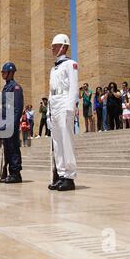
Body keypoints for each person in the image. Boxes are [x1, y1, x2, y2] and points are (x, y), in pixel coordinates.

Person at [47, 34, 78, 191]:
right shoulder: (53, 69)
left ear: (64, 47)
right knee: (57, 143)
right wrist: (48, 112)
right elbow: (51, 92)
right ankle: (61, 174)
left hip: (65, 103)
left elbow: (73, 86)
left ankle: (70, 176)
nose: (52, 48)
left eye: (55, 45)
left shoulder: (70, 64)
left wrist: (70, 107)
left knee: (66, 141)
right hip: (55, 105)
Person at [0, 62, 24, 184]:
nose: (2, 74)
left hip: (11, 123)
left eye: (4, 72)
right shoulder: (6, 87)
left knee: (13, 148)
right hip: (5, 123)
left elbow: (18, 108)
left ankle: (16, 173)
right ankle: (9, 172)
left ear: (10, 73)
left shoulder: (15, 87)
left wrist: (13, 124)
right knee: (7, 148)